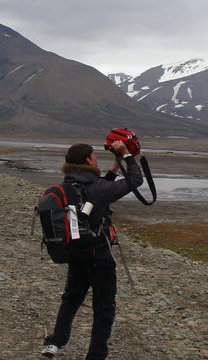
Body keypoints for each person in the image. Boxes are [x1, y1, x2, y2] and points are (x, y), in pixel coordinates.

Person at [41, 140, 144, 359]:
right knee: (104, 307)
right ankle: (96, 355)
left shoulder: (69, 186)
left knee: (71, 299)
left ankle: (54, 343)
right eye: (94, 156)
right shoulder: (97, 188)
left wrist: (115, 168)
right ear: (88, 160)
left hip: (76, 254)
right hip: (100, 257)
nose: (97, 158)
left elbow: (97, 190)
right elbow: (135, 180)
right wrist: (126, 155)